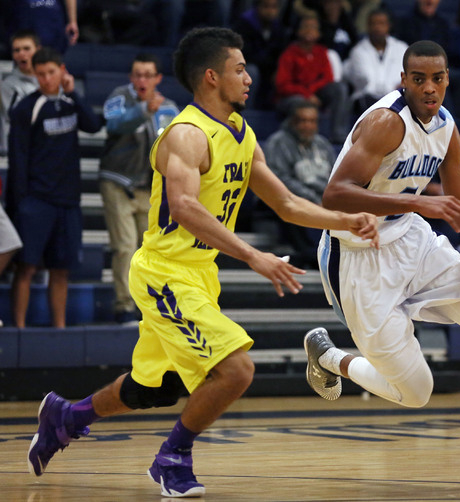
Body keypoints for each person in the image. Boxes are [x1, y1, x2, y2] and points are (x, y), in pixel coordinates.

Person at [26, 27, 379, 498]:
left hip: (198, 274)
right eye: (238, 69)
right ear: (211, 77)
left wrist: (346, 219)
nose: (249, 77)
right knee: (237, 370)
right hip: (164, 273)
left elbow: (288, 203)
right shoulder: (187, 135)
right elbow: (187, 207)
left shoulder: (243, 132)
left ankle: (65, 417)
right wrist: (254, 255)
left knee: (152, 389)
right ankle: (172, 458)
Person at [303, 40, 460, 488]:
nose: (429, 87)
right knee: (417, 393)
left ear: (447, 79)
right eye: (418, 79)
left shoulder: (447, 128)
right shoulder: (384, 123)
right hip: (357, 256)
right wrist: (422, 204)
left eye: (437, 78)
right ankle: (330, 356)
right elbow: (334, 194)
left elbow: (459, 205)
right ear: (404, 80)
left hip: (411, 239)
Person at [6, 47, 102, 329]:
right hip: (37, 201)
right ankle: (20, 328)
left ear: (62, 71)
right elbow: (18, 158)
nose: (47, 79)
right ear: (35, 75)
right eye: (41, 74)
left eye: (51, 72)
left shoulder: (72, 102)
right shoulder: (27, 108)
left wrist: (73, 94)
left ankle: (59, 329)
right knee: (27, 268)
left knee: (61, 270)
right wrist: (21, 202)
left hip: (68, 201)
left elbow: (94, 125)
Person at [100, 53, 180, 325]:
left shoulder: (169, 107)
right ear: (131, 77)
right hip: (118, 181)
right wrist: (144, 110)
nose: (142, 80)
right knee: (124, 246)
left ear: (158, 78)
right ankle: (123, 306)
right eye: (138, 74)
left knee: (147, 251)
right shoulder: (119, 97)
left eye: (148, 75)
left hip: (150, 188)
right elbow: (113, 124)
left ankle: (144, 305)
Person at [264, 99, 336, 266]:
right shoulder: (278, 142)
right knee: (291, 204)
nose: (307, 126)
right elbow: (279, 179)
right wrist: (313, 199)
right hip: (290, 199)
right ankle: (312, 256)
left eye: (312, 121)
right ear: (292, 122)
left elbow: (335, 176)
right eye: (302, 121)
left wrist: (329, 199)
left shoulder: (322, 144)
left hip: (321, 199)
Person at [275, 13, 350, 143]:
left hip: (316, 95)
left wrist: (312, 92)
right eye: (306, 27)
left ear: (319, 33)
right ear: (298, 31)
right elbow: (282, 85)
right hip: (291, 98)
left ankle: (338, 133)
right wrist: (307, 95)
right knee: (299, 101)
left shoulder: (321, 52)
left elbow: (328, 78)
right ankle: (298, 137)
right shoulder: (289, 53)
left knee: (339, 88)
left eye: (313, 27)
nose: (309, 30)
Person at [343, 8, 407, 113]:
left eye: (381, 23)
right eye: (374, 23)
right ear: (368, 26)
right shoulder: (358, 51)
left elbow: (403, 78)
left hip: (396, 99)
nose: (377, 27)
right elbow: (367, 82)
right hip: (367, 102)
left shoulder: (401, 48)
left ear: (388, 26)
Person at [232, 0, 290, 109]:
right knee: (252, 72)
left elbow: (281, 53)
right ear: (257, 7)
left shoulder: (278, 28)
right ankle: (245, 112)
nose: (270, 11)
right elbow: (243, 54)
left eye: (273, 7)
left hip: (268, 67)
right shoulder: (244, 24)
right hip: (247, 65)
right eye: (266, 6)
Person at [0, 30, 40, 155]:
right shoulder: (7, 86)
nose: (21, 54)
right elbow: (19, 120)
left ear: (38, 50)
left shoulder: (50, 81)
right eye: (16, 50)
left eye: (26, 48)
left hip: (44, 151)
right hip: (18, 151)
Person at [9, 0, 78, 54]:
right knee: (23, 49)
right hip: (23, 15)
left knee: (52, 55)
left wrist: (72, 21)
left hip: (51, 17)